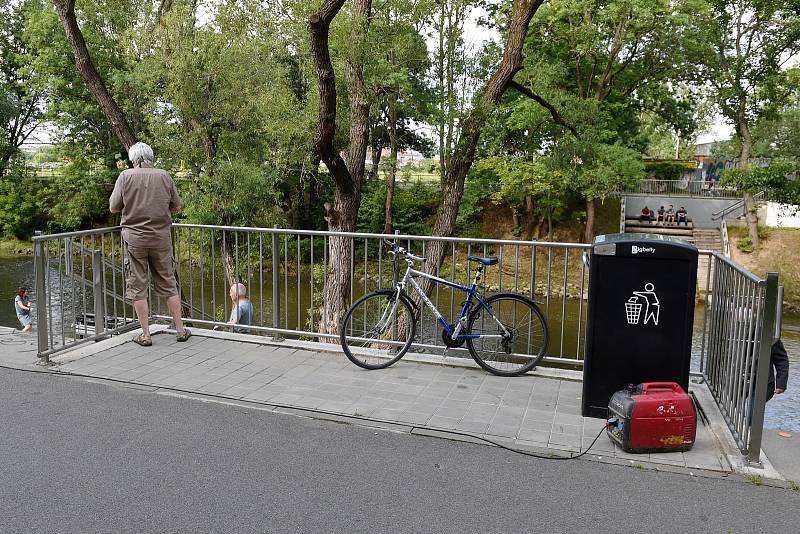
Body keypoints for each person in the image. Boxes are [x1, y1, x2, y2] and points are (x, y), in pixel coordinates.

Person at [109, 142, 190, 346]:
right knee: (168, 283)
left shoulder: (125, 177)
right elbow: (177, 206)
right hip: (161, 238)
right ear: (150, 157)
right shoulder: (164, 175)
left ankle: (145, 335)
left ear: (133, 159)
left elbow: (113, 207)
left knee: (137, 286)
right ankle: (180, 329)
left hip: (134, 239)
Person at [767, 338, 789, 403]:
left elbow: (781, 361)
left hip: (762, 383)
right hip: (737, 381)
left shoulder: (770, 336)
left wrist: (781, 384)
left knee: (753, 410)